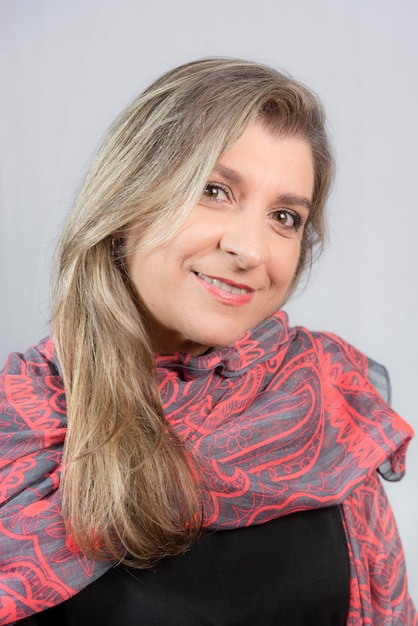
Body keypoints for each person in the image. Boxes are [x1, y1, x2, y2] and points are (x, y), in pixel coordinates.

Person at [0, 58, 416, 625]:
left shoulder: (320, 397)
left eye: (285, 217)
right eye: (215, 190)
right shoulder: (20, 429)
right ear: (128, 199)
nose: (250, 249)